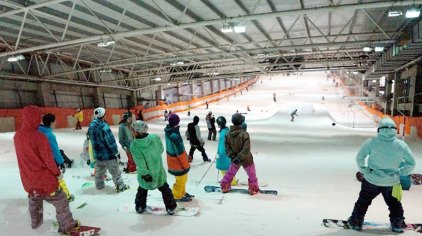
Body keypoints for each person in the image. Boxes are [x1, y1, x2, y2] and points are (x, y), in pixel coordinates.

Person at [14, 105, 79, 234]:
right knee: (61, 200)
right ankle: (67, 226)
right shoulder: (39, 137)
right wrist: (57, 173)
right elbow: (48, 160)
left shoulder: (17, 136)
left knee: (34, 202)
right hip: (45, 181)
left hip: (28, 181)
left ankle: (35, 224)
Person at [348, 117, 416, 233]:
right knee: (394, 204)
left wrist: (364, 170)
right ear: (394, 129)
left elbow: (360, 158)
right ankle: (397, 224)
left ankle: (356, 223)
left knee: (363, 202)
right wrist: (400, 173)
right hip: (391, 182)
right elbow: (411, 163)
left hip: (371, 180)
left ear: (379, 129)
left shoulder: (371, 142)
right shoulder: (401, 145)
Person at [131, 120, 177, 215]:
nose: (132, 131)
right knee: (165, 189)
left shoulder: (135, 145)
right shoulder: (155, 137)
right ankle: (170, 207)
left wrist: (145, 174)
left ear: (137, 131)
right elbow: (161, 149)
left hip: (147, 173)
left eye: (133, 130)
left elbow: (140, 162)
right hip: (158, 169)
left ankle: (140, 206)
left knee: (142, 190)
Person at [88, 107, 129, 192]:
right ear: (103, 115)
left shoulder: (91, 126)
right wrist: (116, 152)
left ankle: (99, 185)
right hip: (108, 155)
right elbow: (110, 141)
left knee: (99, 172)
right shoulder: (104, 126)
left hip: (98, 155)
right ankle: (120, 186)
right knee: (115, 172)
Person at [220, 113, 260, 195]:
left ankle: (225, 185)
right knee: (252, 174)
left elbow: (227, 148)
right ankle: (253, 187)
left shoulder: (228, 134)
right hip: (246, 159)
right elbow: (246, 149)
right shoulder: (244, 134)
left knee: (230, 173)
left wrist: (234, 157)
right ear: (241, 122)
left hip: (234, 159)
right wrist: (239, 157)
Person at [38, 113, 74, 202]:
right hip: (50, 161)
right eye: (55, 121)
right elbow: (55, 151)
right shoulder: (49, 135)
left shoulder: (38, 131)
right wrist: (61, 162)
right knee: (58, 178)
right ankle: (67, 196)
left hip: (39, 161)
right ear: (52, 122)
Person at [164, 114, 193, 202]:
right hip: (177, 162)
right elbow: (180, 153)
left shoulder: (170, 131)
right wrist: (186, 164)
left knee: (182, 178)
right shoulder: (174, 136)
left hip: (173, 160)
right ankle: (176, 195)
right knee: (181, 179)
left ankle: (182, 192)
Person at [216, 116, 238, 186]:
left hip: (225, 154)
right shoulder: (227, 131)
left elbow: (222, 146)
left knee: (224, 168)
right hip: (229, 153)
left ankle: (231, 181)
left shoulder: (223, 133)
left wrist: (220, 154)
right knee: (228, 168)